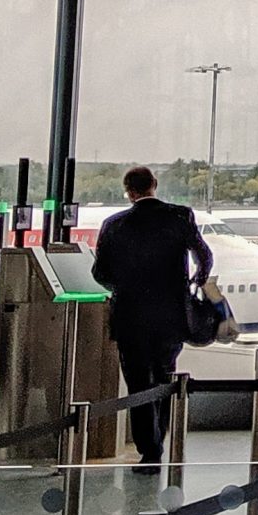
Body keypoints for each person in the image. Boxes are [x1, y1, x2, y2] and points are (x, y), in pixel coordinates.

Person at [91, 168, 211, 468]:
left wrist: (123, 287)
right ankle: (162, 435)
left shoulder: (114, 225)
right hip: (171, 315)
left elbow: (100, 274)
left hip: (130, 316)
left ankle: (150, 449)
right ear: (154, 185)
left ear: (128, 191)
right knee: (165, 376)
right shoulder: (180, 216)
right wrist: (195, 281)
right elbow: (204, 256)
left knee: (138, 383)